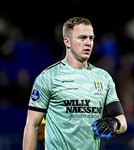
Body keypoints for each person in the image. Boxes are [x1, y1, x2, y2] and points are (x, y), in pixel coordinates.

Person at [23, 17, 127, 150]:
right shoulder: (48, 77)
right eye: (82, 38)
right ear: (67, 42)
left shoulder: (103, 78)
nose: (88, 43)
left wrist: (115, 123)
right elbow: (32, 125)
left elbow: (122, 121)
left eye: (91, 38)